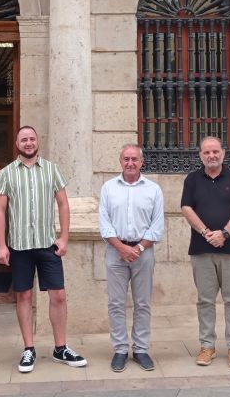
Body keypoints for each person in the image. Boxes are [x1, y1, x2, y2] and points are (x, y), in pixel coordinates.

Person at [0, 125, 88, 373]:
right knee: (23, 296)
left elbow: (63, 205)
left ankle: (60, 348)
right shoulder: (6, 173)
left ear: (38, 142)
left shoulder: (52, 170)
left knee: (58, 295)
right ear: (17, 144)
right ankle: (29, 349)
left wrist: (65, 238)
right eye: (23, 139)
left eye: (32, 139)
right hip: (19, 247)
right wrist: (2, 245)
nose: (28, 143)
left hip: (47, 245)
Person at [180, 136, 230, 369]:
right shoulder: (192, 180)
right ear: (200, 155)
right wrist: (206, 232)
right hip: (201, 250)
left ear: (223, 152)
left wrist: (224, 233)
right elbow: (186, 208)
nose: (211, 155)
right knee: (205, 300)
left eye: (215, 151)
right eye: (207, 152)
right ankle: (207, 346)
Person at [98, 144, 165, 372]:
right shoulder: (108, 188)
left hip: (143, 253)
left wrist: (137, 248)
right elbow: (104, 224)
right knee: (116, 304)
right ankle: (120, 349)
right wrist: (121, 248)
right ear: (120, 161)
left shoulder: (153, 189)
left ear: (141, 161)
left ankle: (141, 349)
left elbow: (157, 226)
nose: (130, 163)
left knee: (143, 303)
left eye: (134, 159)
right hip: (115, 253)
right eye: (126, 159)